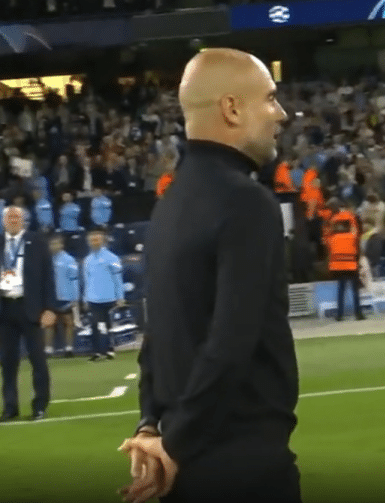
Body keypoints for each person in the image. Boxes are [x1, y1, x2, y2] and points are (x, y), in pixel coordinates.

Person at [117, 48, 300, 503]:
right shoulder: (247, 202)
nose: (281, 113)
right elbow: (232, 340)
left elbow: (156, 336)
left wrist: (151, 425)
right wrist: (175, 442)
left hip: (181, 464)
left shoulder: (169, 205)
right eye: (270, 98)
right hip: (241, 462)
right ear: (231, 108)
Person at [0, 206, 57, 421]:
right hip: (5, 308)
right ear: (3, 221)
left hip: (31, 308)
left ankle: (40, 405)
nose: (13, 220)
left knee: (38, 360)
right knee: (7, 362)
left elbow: (48, 277)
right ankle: (10, 407)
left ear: (24, 220)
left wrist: (50, 308)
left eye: (17, 217)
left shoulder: (37, 242)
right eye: (9, 217)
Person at [82, 227, 125, 361]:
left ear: (103, 240)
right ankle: (98, 351)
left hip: (109, 297)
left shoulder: (112, 258)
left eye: (97, 239)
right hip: (93, 298)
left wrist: (120, 297)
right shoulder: (87, 260)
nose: (94, 242)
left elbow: (118, 279)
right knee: (95, 325)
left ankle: (109, 349)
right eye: (92, 240)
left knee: (107, 326)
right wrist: (85, 298)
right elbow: (86, 281)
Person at [327, 200, 365, 321]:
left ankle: (339, 315)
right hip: (350, 263)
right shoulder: (351, 224)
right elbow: (356, 235)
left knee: (341, 289)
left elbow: (328, 241)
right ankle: (358, 314)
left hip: (337, 264)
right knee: (354, 289)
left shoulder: (333, 227)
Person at [44, 233, 79, 357]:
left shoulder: (69, 260)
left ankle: (69, 349)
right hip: (50, 297)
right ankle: (48, 350)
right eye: (51, 244)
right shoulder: (45, 260)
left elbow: (74, 279)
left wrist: (75, 297)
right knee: (49, 324)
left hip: (65, 297)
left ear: (61, 245)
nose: (54, 246)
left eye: (56, 243)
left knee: (68, 323)